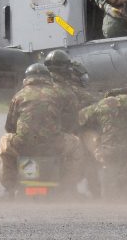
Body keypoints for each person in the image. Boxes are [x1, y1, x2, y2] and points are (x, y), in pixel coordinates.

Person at [0, 63, 83, 199]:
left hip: (24, 145)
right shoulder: (57, 94)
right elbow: (70, 122)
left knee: (5, 144)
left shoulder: (19, 96)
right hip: (53, 144)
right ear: (47, 78)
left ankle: (9, 188)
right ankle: (69, 187)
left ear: (27, 78)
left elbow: (10, 126)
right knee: (76, 144)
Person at [44, 50, 100, 196]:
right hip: (64, 136)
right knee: (90, 152)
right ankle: (91, 191)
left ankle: (11, 189)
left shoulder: (37, 87)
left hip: (40, 136)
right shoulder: (71, 90)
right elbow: (98, 106)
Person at [78, 87, 127, 198]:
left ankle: (98, 193)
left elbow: (81, 117)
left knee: (87, 134)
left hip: (109, 151)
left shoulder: (103, 103)